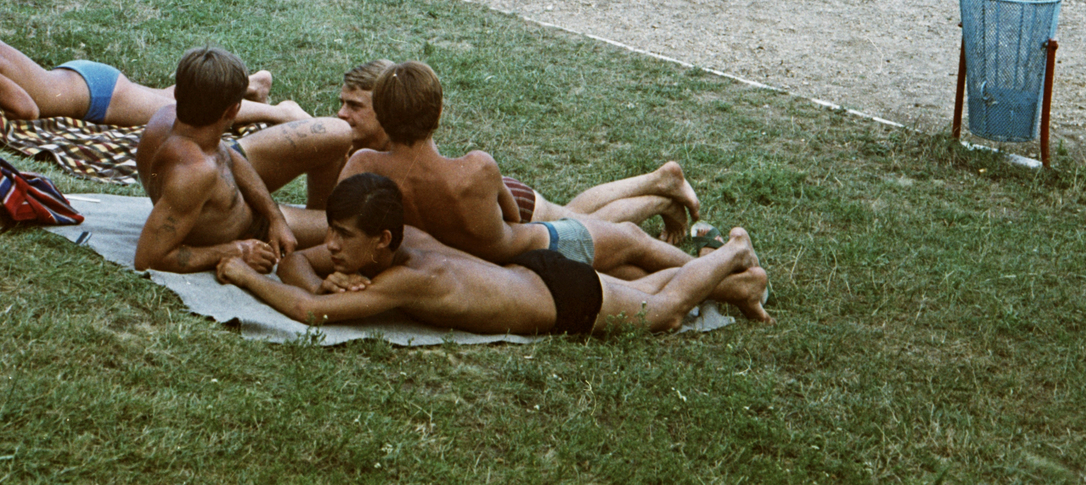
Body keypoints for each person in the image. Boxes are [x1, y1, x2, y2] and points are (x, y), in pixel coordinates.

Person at [339, 64, 766, 313]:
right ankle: (735, 271)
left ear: (382, 114)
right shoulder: (475, 167)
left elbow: (342, 220)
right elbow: (511, 213)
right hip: (538, 245)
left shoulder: (363, 166)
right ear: (439, 111)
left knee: (626, 267)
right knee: (634, 247)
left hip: (502, 265)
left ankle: (731, 277)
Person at [217, 172, 770, 337]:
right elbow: (301, 263)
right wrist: (316, 278)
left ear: (381, 240)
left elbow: (307, 315)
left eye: (343, 235)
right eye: (332, 233)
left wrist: (245, 274)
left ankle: (734, 253)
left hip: (562, 298)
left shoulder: (408, 279)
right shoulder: (405, 242)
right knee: (648, 288)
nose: (331, 245)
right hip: (532, 276)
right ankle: (738, 287)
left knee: (664, 311)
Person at [0, 0, 285, 127]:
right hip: (77, 79)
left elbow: (25, 109)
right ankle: (251, 84)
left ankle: (283, 114)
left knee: (182, 111)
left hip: (95, 97)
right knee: (162, 96)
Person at [133, 48, 334, 275]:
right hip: (251, 231)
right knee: (359, 231)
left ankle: (316, 217)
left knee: (339, 132)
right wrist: (236, 250)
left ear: (177, 93)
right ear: (234, 110)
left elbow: (230, 158)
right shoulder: (194, 172)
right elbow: (147, 257)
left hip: (253, 214)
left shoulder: (168, 117)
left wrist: (275, 216)